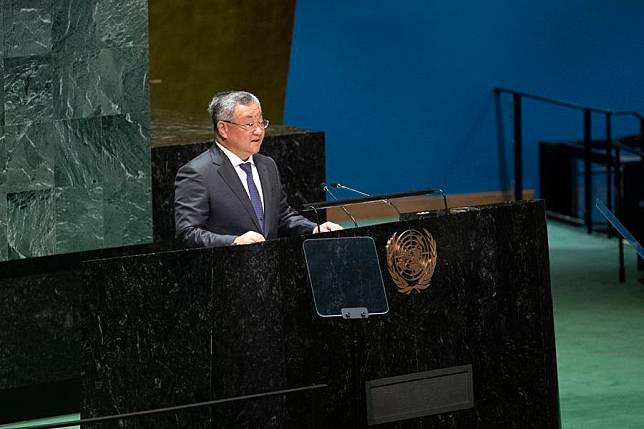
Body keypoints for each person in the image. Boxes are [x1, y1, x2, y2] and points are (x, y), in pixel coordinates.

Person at [174, 90, 342, 247]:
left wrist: (314, 229)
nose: (258, 131)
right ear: (223, 128)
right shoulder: (197, 173)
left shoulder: (267, 165)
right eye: (249, 124)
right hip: (225, 270)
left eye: (261, 122)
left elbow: (282, 215)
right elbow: (188, 233)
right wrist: (234, 242)